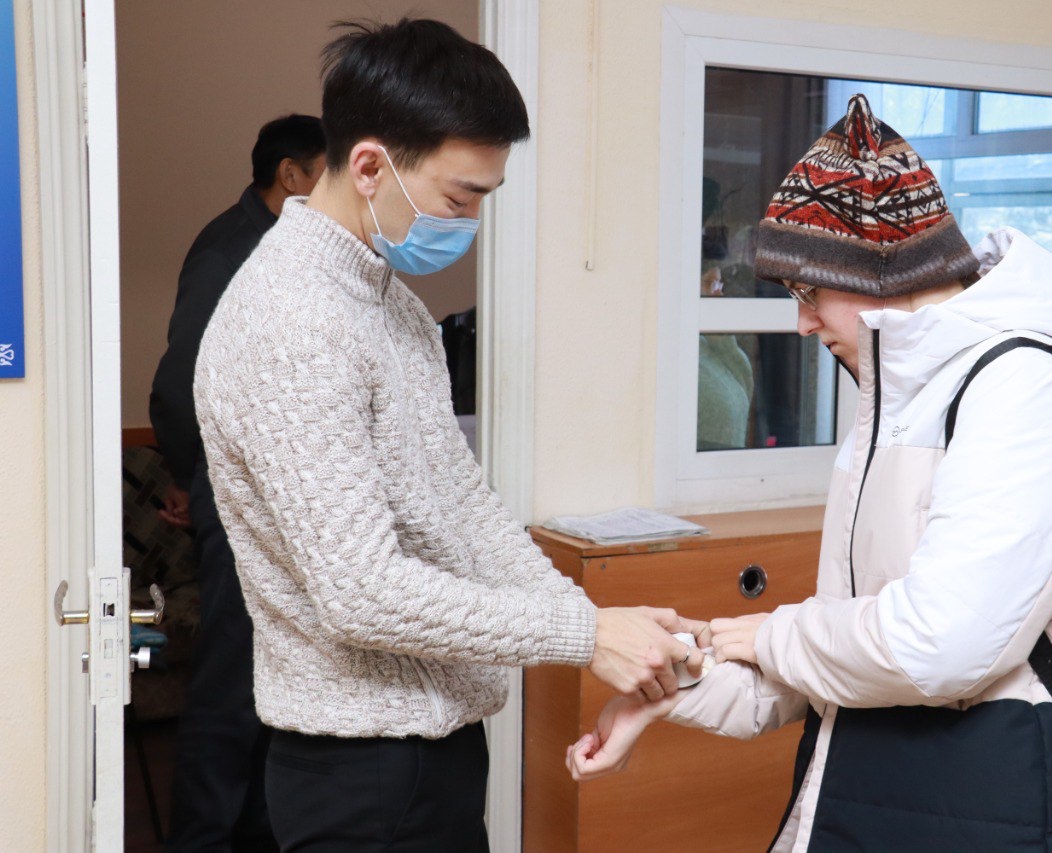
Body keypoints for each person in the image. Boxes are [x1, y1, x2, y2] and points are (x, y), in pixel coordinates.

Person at [568, 94, 1052, 851]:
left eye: (809, 292)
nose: (801, 322)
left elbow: (938, 647)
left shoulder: (1023, 388)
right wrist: (673, 683)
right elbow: (845, 654)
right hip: (890, 794)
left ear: (881, 271)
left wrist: (768, 633)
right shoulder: (896, 403)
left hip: (998, 807)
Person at [192, 19, 704, 851]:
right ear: (369, 166)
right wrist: (584, 636)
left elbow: (465, 507)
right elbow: (362, 590)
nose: (468, 221)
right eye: (459, 199)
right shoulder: (293, 321)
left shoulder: (389, 306)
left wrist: (590, 616)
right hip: (359, 773)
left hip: (433, 750)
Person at [151, 113, 326, 852]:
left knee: (268, 688)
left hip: (278, 498)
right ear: (290, 174)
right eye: (327, 172)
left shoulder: (290, 249)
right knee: (229, 694)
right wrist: (196, 477)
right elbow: (178, 385)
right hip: (235, 494)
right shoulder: (230, 250)